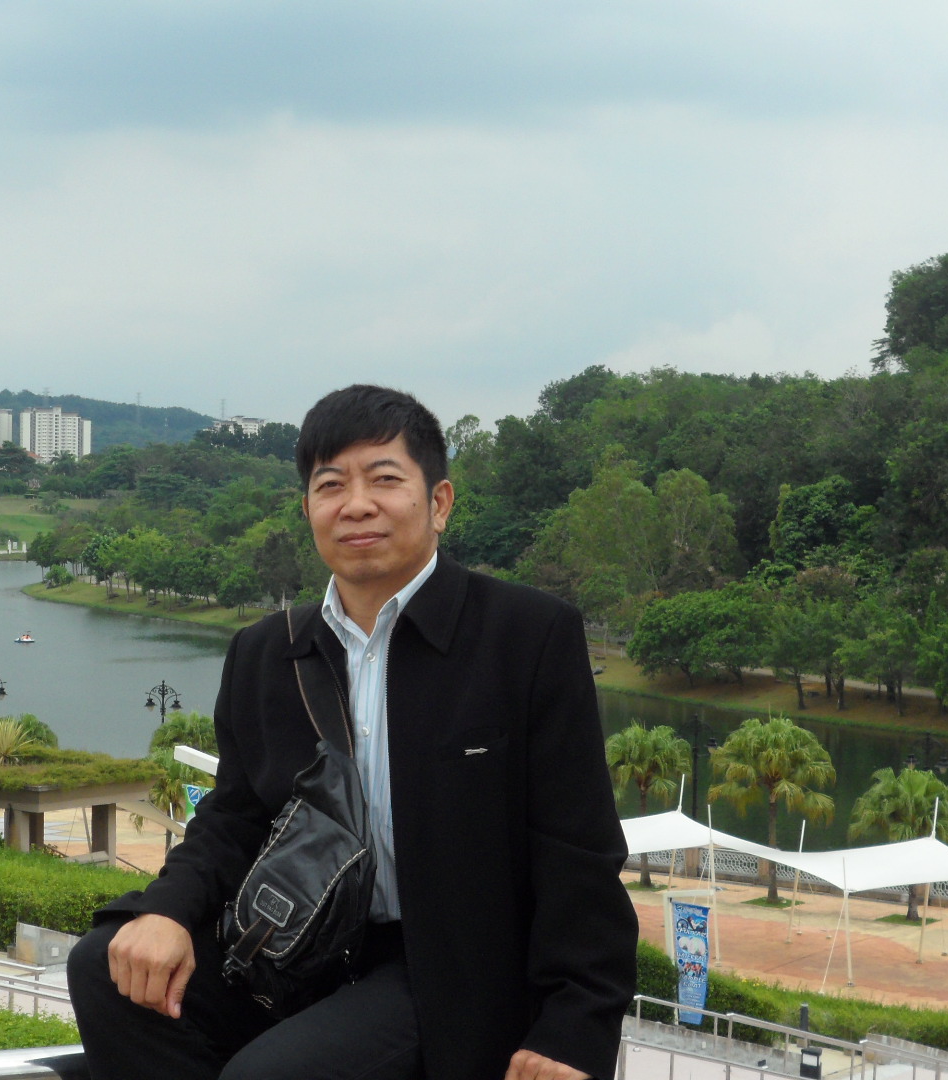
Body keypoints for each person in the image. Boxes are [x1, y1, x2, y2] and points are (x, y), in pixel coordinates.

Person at [68, 385, 637, 1080]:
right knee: (104, 967)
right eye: (331, 484)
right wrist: (167, 912)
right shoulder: (267, 652)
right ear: (308, 508)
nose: (356, 504)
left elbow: (578, 851)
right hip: (301, 948)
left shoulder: (525, 636)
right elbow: (234, 818)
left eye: (385, 479)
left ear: (440, 503)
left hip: (451, 971)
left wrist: (575, 1030)